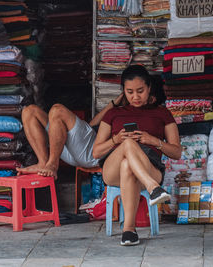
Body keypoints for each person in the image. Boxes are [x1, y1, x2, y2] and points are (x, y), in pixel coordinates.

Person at [92, 65, 182, 246]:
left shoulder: (162, 113)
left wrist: (153, 140)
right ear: (123, 91)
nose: (135, 97)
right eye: (130, 92)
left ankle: (129, 231)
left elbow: (177, 152)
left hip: (150, 167)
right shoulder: (113, 113)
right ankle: (153, 188)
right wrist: (116, 140)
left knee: (128, 166)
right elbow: (96, 152)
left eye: (140, 91)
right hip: (112, 170)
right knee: (127, 144)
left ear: (149, 88)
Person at [16, 91, 124, 178]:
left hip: (92, 153)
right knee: (29, 111)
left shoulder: (128, 114)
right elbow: (92, 124)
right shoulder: (114, 110)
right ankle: (43, 162)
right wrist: (113, 104)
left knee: (57, 110)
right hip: (71, 148)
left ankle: (53, 164)